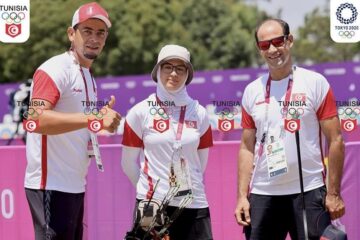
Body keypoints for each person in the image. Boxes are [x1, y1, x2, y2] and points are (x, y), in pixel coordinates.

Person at [234, 19, 345, 240]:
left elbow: (335, 141)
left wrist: (333, 193)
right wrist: (241, 197)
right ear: (259, 49)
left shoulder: (315, 83)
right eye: (265, 45)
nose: (273, 50)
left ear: (290, 41)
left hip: (308, 191)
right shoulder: (251, 91)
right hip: (263, 193)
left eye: (278, 41)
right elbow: (247, 147)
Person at [24, 2, 121, 240]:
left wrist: (101, 122)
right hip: (50, 186)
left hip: (74, 185)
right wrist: (94, 118)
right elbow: (35, 119)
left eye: (100, 33)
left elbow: (82, 124)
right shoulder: (54, 68)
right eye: (87, 31)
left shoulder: (87, 75)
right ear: (71, 34)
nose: (94, 38)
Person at [121, 44, 214, 240]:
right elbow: (127, 162)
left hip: (193, 202)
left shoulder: (200, 113)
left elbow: (200, 163)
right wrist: (149, 191)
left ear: (188, 74)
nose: (173, 73)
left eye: (180, 68)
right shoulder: (140, 112)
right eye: (167, 67)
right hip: (150, 204)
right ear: (158, 71)